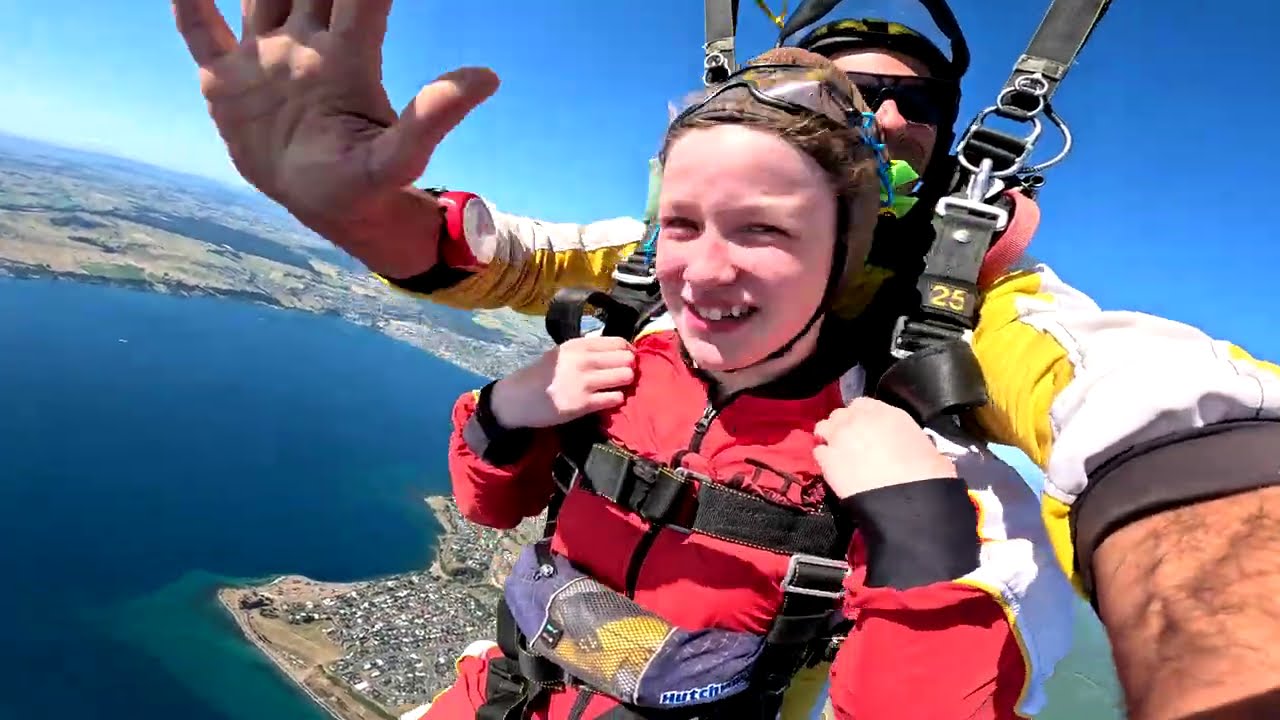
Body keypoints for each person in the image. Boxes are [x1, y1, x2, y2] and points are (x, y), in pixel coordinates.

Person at [171, 2, 1280, 717]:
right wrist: (351, 210)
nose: (873, 115)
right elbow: (506, 255)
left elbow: (1152, 413)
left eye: (910, 102)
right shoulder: (671, 259)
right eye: (840, 88)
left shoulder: (969, 324)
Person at [433, 49, 1071, 720]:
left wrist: (918, 535)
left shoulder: (891, 451)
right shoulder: (626, 357)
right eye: (683, 224)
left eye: (764, 230)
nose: (705, 273)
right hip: (498, 697)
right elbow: (489, 507)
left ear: (842, 247)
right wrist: (502, 413)